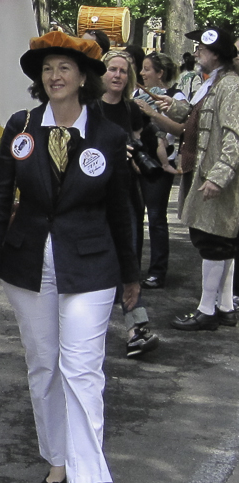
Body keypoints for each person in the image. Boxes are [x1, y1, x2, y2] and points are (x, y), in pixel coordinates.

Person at [0, 31, 139, 483]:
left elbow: (122, 211)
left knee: (82, 370)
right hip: (29, 265)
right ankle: (57, 460)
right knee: (43, 365)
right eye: (47, 69)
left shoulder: (109, 134)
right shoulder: (22, 128)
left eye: (64, 67)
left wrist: (132, 274)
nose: (54, 76)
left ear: (83, 77)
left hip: (90, 266)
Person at [170, 23, 239, 332]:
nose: (196, 52)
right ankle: (224, 307)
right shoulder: (213, 82)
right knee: (220, 242)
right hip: (210, 174)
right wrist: (171, 106)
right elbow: (194, 114)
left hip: (217, 179)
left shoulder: (230, 86)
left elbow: (234, 135)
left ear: (215, 53)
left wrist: (219, 176)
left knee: (213, 242)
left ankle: (206, 310)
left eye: (202, 48)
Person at [99, 48, 161, 356]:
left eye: (123, 71)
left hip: (127, 195)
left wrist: (138, 159)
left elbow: (139, 146)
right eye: (113, 69)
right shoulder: (89, 108)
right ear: (102, 73)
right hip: (96, 197)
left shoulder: (131, 109)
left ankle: (136, 329)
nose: (118, 75)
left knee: (129, 262)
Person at [132, 52, 187, 289]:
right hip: (135, 160)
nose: (142, 73)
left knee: (155, 217)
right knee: (133, 217)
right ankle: (131, 269)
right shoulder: (135, 94)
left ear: (160, 73)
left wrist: (153, 113)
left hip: (160, 163)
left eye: (146, 69)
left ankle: (157, 271)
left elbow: (182, 128)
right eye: (142, 69)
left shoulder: (176, 97)